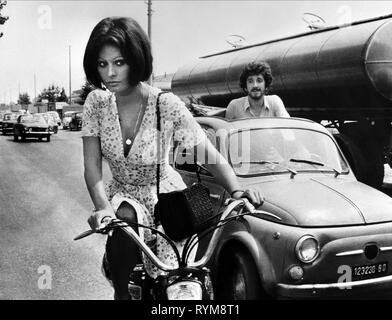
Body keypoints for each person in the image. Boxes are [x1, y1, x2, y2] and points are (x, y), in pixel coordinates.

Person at [81, 16, 264, 300]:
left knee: (182, 281)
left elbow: (208, 154)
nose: (110, 73)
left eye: (119, 62)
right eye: (102, 64)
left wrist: (237, 189)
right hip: (123, 198)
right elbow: (92, 168)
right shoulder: (96, 104)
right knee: (124, 233)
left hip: (167, 200)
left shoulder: (164, 104)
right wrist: (102, 207)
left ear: (136, 59)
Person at [225, 62, 290, 119]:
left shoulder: (275, 102)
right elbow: (224, 131)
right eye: (250, 81)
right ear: (245, 87)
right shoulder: (234, 106)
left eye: (259, 80)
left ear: (266, 85)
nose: (255, 85)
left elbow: (288, 127)